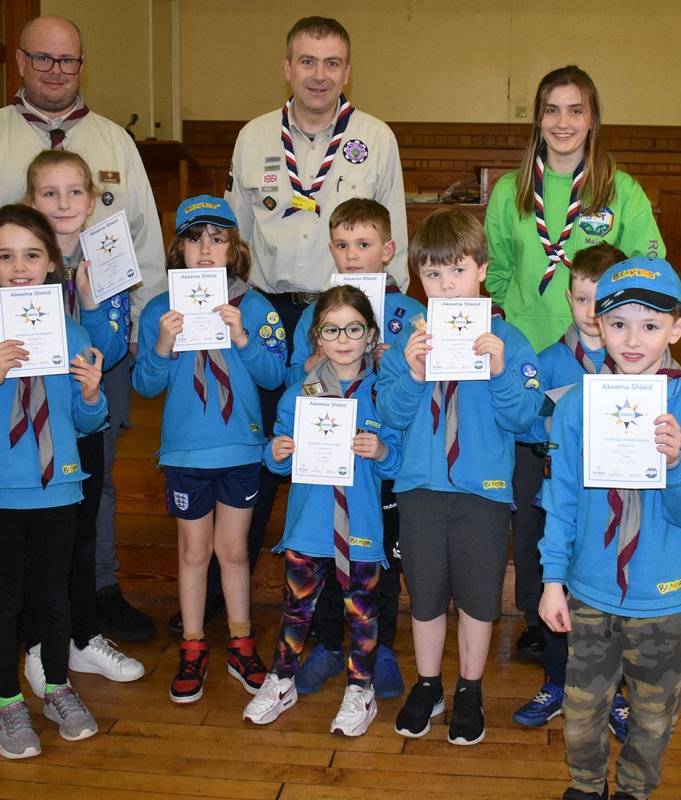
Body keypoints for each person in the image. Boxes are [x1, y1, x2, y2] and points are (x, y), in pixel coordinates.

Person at [0, 14, 162, 642]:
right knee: (6, 471)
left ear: (82, 65)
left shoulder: (115, 142)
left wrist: (141, 325)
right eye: (44, 59)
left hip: (95, 347)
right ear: (21, 61)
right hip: (5, 345)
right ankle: (18, 607)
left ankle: (97, 590)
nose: (58, 72)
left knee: (95, 474)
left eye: (70, 61)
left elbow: (146, 242)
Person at [211, 16, 409, 635]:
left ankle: (348, 616)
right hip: (270, 313)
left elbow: (392, 245)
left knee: (348, 460)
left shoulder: (375, 138)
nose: (318, 75)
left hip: (344, 321)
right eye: (307, 61)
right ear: (287, 67)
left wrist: (377, 334)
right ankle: (232, 595)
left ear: (348, 71)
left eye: (331, 63)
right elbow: (232, 242)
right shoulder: (252, 138)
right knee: (272, 448)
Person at [539, 257, 681, 800]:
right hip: (591, 588)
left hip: (662, 597)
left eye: (651, 324)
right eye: (618, 323)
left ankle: (635, 791)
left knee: (652, 715)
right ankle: (585, 784)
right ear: (597, 323)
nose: (633, 339)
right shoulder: (576, 407)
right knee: (581, 710)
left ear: (678, 327)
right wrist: (553, 579)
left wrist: (675, 465)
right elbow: (561, 498)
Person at [0, 205, 107, 759]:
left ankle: (56, 686)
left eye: (32, 255)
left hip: (57, 485)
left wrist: (90, 394)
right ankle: (7, 702)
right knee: (5, 597)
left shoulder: (72, 330)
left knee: (54, 596)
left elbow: (85, 423)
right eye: (6, 256)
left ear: (53, 263)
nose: (19, 267)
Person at [375, 209, 542, 746]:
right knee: (423, 595)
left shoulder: (506, 341)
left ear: (483, 271)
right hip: (420, 489)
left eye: (458, 271)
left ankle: (470, 689)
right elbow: (389, 414)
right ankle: (429, 684)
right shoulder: (411, 342)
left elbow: (525, 419)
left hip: (483, 493)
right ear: (418, 279)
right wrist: (413, 376)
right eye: (433, 275)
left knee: (477, 597)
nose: (446, 286)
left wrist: (498, 376)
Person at [132, 196, 284, 703]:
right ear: (179, 248)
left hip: (241, 449)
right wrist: (160, 347)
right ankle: (193, 646)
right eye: (195, 238)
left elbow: (274, 375)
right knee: (194, 551)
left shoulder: (256, 306)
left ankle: (241, 642)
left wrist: (243, 338)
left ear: (233, 248)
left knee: (234, 550)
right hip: (185, 456)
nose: (205, 249)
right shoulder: (159, 308)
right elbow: (146, 386)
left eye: (217, 239)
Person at [244, 285, 402, 736]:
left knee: (362, 612)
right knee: (296, 610)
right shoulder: (300, 395)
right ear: (317, 337)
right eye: (332, 329)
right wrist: (276, 451)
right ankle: (282, 680)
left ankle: (361, 688)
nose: (344, 338)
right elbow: (276, 458)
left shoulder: (382, 394)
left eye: (354, 328)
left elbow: (400, 460)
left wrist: (381, 452)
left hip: (363, 526)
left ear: (370, 334)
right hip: (309, 526)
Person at [20, 149, 146, 694]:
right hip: (27, 418)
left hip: (87, 411)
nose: (63, 204)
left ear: (92, 201)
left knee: (83, 521)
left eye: (75, 193)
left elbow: (113, 346)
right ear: (31, 202)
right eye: (50, 194)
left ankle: (83, 637)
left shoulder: (108, 263)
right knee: (33, 526)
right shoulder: (17, 259)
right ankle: (34, 638)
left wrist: (92, 305)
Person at [286, 199, 422, 699]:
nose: (352, 256)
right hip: (330, 458)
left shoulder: (410, 312)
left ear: (387, 251)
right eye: (342, 246)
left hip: (383, 459)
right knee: (325, 546)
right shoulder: (321, 314)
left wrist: (395, 365)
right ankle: (325, 645)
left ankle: (378, 646)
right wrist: (317, 359)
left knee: (379, 555)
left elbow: (426, 385)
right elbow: (297, 377)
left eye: (363, 245)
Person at [511, 243, 630, 740]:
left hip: (615, 505)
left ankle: (616, 693)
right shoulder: (549, 360)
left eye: (604, 304)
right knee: (551, 589)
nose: (592, 314)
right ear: (569, 296)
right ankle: (556, 682)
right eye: (582, 300)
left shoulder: (637, 365)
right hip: (555, 499)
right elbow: (522, 422)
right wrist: (556, 422)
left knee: (612, 595)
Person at [484, 65, 664, 352]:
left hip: (598, 342)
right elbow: (496, 269)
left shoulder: (622, 190)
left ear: (592, 119)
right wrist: (520, 315)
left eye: (576, 111)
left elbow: (646, 268)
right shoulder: (509, 190)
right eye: (552, 110)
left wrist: (613, 323)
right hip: (522, 339)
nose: (563, 123)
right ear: (538, 119)